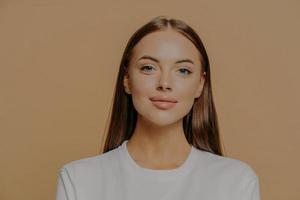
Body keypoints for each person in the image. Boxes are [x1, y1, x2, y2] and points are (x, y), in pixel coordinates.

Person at [55, 15, 260, 200]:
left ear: (200, 84)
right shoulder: (79, 179)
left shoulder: (236, 181)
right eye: (148, 68)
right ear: (127, 79)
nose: (165, 83)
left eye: (183, 70)